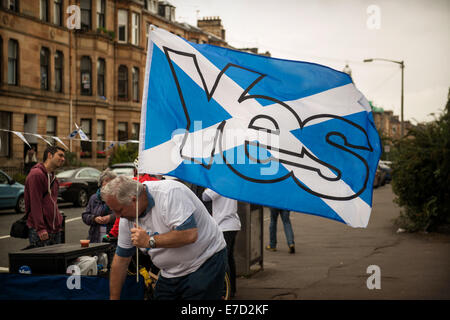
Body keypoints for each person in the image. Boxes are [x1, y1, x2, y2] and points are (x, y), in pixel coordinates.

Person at [101, 176, 227, 300]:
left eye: (119, 210)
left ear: (134, 200)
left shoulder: (170, 193)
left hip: (205, 260)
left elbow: (189, 234)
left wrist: (150, 241)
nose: (118, 216)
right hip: (170, 272)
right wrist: (114, 297)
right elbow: (121, 260)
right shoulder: (126, 218)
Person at [202, 188, 241, 298]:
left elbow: (205, 196)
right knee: (229, 258)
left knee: (223, 259)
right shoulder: (232, 180)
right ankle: (232, 289)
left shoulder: (218, 182)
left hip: (224, 225)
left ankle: (224, 291)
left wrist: (207, 184)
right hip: (233, 224)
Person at [24, 145, 66, 247]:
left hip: (55, 230)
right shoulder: (36, 175)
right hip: (41, 231)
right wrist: (40, 228)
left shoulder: (54, 178)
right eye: (60, 155)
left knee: (56, 262)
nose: (63, 159)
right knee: (41, 263)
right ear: (50, 155)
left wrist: (58, 222)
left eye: (64, 156)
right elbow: (35, 203)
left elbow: (53, 203)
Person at [81, 169, 117, 243]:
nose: (109, 183)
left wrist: (110, 218)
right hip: (94, 237)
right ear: (101, 183)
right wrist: (94, 219)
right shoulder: (94, 198)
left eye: (112, 181)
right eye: (106, 181)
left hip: (111, 238)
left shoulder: (118, 197)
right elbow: (85, 215)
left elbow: (124, 215)